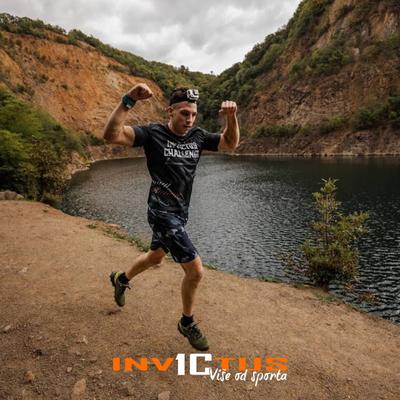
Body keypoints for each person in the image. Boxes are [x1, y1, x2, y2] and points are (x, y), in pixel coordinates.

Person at [103, 83, 239, 351]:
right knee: (195, 271)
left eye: (193, 114)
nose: (189, 120)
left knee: (155, 257)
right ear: (170, 112)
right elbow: (112, 135)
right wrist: (128, 100)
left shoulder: (198, 136)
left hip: (180, 212)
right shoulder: (152, 134)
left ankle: (121, 279)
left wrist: (231, 118)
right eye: (184, 114)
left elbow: (230, 144)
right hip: (161, 212)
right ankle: (187, 322)